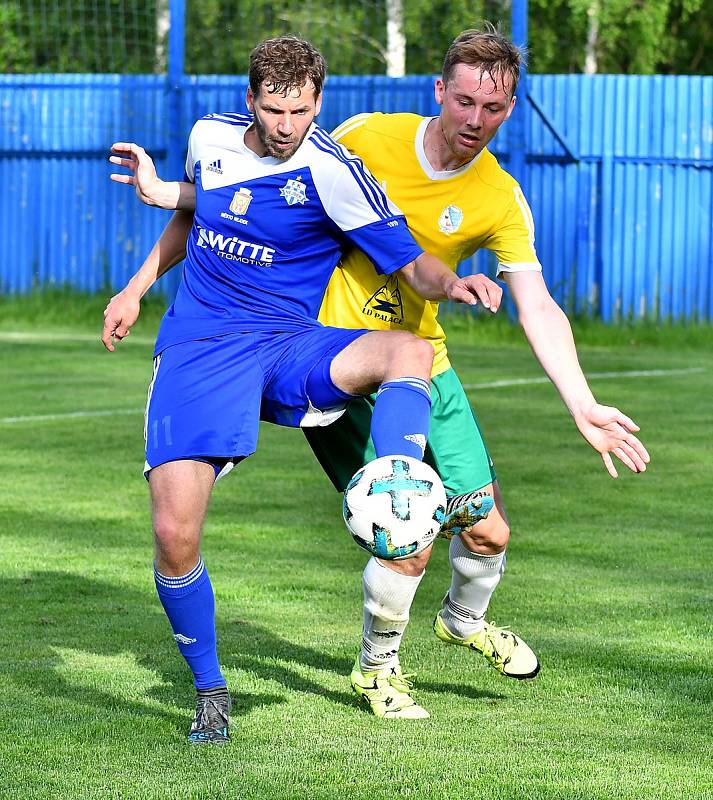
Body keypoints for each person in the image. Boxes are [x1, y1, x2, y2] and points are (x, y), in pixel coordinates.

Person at [110, 28, 650, 722]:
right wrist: (145, 257)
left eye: (492, 108)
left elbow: (527, 301)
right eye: (463, 102)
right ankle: (322, 675)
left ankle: (453, 607)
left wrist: (578, 400)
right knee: (391, 539)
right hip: (270, 348)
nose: (474, 120)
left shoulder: (488, 195)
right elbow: (222, 195)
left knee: (486, 530)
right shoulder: (352, 137)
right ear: (439, 92)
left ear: (510, 107)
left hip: (377, 354)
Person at [102, 34, 500, 742]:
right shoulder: (209, 137)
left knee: (407, 350)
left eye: (303, 111)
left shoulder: (335, 171)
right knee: (173, 534)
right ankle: (210, 689)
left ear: (319, 102)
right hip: (199, 348)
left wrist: (455, 282)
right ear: (250, 100)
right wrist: (135, 289)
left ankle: (395, 481)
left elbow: (412, 263)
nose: (288, 126)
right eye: (276, 109)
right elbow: (196, 215)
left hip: (288, 343)